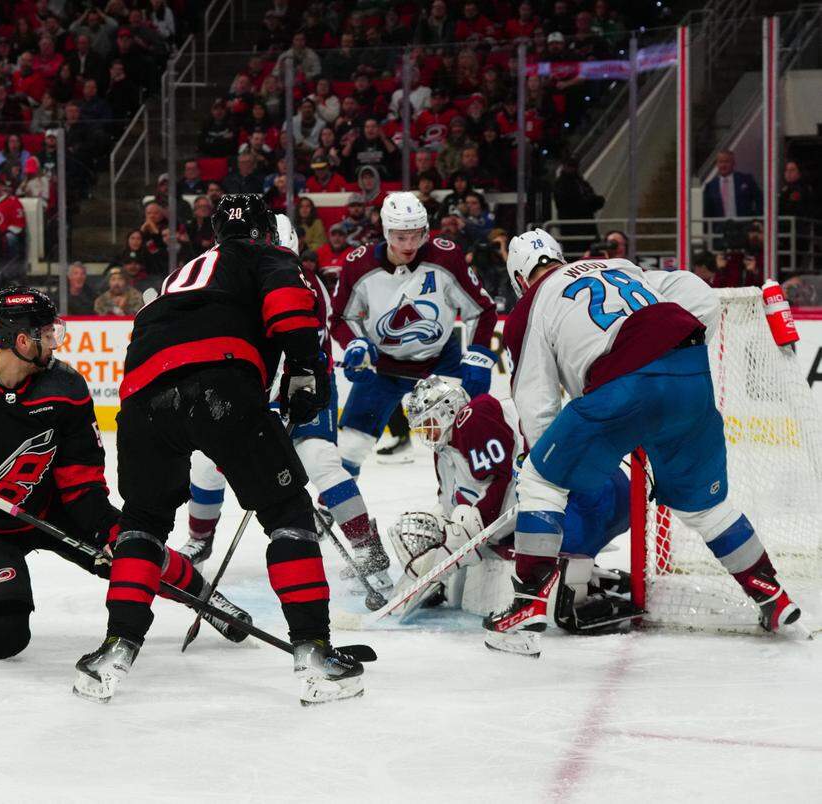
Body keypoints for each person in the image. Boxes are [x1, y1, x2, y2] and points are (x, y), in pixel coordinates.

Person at [74, 194, 363, 705]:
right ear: (265, 230)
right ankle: (315, 652)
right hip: (218, 385)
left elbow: (151, 335)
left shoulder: (180, 274)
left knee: (142, 523)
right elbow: (293, 318)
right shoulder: (265, 254)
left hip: (141, 400)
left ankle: (115, 648)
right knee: (288, 512)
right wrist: (305, 373)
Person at [0, 288, 249, 662]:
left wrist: (104, 529)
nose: (55, 341)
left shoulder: (65, 388)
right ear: (22, 341)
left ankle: (207, 601)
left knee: (131, 545)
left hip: (50, 508)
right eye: (47, 333)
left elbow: (81, 477)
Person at [487, 228, 802, 657]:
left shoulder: (529, 307)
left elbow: (535, 402)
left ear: (520, 278)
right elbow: (700, 297)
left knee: (541, 480)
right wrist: (670, 365)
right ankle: (772, 596)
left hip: (623, 385)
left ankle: (527, 605)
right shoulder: (619, 266)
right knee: (706, 506)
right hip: (690, 371)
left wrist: (555, 458)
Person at [180, 215, 388, 600]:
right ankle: (200, 540)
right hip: (251, 398)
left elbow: (306, 353)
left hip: (303, 397)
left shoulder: (307, 288)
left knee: (322, 462)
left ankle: (368, 551)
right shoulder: (237, 282)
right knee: (208, 462)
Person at [390, 376, 639, 633]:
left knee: (538, 564)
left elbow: (505, 484)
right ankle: (599, 580)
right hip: (572, 499)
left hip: (594, 493)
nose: (427, 434)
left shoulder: (474, 416)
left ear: (448, 409)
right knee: (496, 540)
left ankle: (580, 592)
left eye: (429, 424)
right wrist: (438, 552)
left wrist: (458, 542)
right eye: (421, 429)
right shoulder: (444, 454)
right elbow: (455, 510)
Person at [329, 193, 497, 548]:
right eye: (401, 236)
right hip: (385, 366)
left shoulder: (446, 255)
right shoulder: (358, 265)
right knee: (351, 446)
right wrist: (357, 345)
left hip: (440, 363)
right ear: (386, 233)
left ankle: (468, 505)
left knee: (460, 440)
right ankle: (336, 513)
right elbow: (340, 317)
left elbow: (481, 309)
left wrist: (479, 355)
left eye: (417, 235)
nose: (409, 244)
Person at [553, 158, 605, 247]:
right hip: (574, 227)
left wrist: (593, 202)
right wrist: (593, 203)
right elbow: (571, 204)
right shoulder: (564, 184)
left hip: (583, 226)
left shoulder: (580, 182)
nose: (573, 169)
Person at [702, 149, 761, 220]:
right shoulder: (710, 186)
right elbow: (707, 212)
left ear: (733, 163)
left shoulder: (746, 180)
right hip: (721, 228)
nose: (723, 165)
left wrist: (757, 220)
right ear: (717, 164)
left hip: (744, 226)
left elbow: (760, 201)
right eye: (720, 162)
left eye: (726, 162)